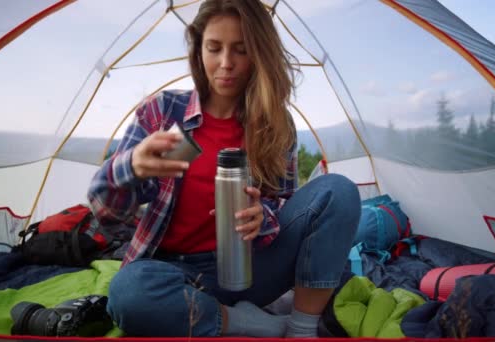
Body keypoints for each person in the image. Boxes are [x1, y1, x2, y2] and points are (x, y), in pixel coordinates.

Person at [87, 0, 360, 337]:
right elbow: (104, 214)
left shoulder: (275, 124)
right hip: (172, 271)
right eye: (214, 48)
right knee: (129, 294)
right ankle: (251, 323)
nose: (226, 64)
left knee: (339, 191)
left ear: (259, 54)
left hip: (250, 268)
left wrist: (264, 216)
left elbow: (285, 203)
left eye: (241, 50)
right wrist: (131, 167)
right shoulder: (163, 112)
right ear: (199, 50)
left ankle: (302, 329)